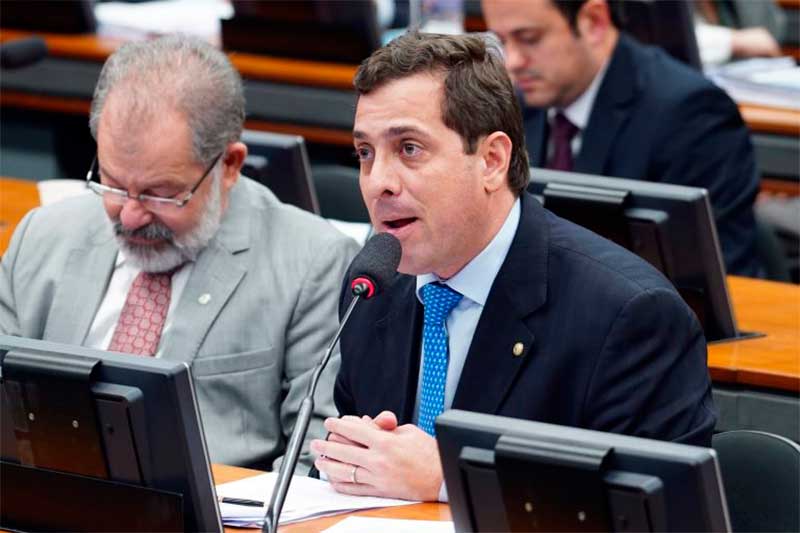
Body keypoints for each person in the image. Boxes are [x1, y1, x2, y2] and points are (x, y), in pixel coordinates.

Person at [311, 31, 716, 502]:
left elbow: (654, 515)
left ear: (491, 160)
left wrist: (449, 480)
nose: (378, 181)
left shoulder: (629, 317)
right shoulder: (373, 289)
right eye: (365, 153)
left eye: (408, 149)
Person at [0, 36, 360, 472]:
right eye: (113, 183)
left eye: (160, 194)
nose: (130, 216)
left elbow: (318, 455)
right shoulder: (44, 236)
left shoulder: (313, 264)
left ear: (229, 165)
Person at [481, 0, 762, 277]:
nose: (513, 62)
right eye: (501, 42)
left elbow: (713, 277)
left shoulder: (691, 114)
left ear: (593, 22)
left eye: (529, 39)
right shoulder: (514, 104)